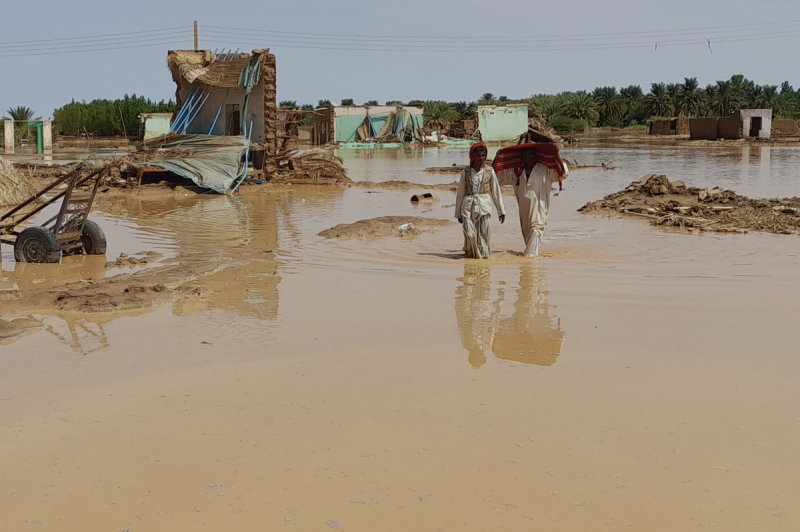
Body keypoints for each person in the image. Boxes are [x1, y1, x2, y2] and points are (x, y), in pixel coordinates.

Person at [496, 147, 567, 257]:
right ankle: (530, 264)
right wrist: (499, 159)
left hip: (539, 208)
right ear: (522, 157)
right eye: (525, 155)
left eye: (530, 154)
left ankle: (530, 262)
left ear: (535, 156)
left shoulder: (544, 170)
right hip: (524, 211)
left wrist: (557, 158)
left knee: (536, 230)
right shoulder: (517, 172)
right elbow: (499, 178)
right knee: (528, 235)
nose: (527, 156)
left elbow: (562, 173)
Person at [454, 143, 506, 259]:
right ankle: (470, 254)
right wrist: (458, 213)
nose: (481, 158)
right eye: (478, 156)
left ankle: (481, 263)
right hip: (468, 206)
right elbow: (460, 193)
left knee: (483, 235)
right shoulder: (466, 172)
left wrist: (501, 211)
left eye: (483, 155)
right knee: (469, 234)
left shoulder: (489, 171)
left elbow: (495, 191)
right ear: (472, 156)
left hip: (484, 205)